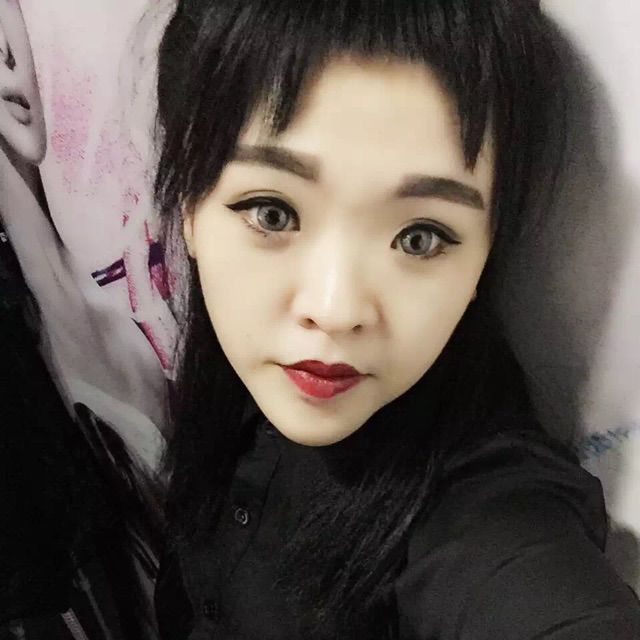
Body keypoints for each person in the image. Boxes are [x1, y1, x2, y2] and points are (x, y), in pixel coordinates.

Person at [152, 1, 640, 638]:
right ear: (189, 209)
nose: (335, 311)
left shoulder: (488, 512)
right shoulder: (211, 378)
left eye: (419, 237)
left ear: (487, 255)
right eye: (273, 212)